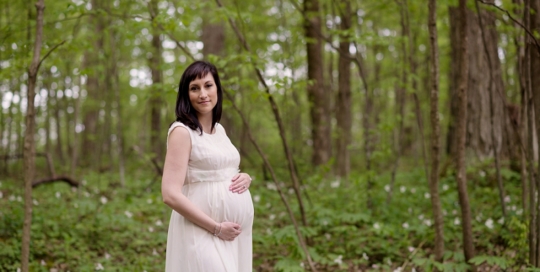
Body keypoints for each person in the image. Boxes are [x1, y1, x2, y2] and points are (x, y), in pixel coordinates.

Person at [161, 61, 254, 271]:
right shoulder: (181, 132)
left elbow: (222, 169)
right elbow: (169, 194)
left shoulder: (219, 130)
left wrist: (246, 177)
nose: (203, 93)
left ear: (217, 89)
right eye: (194, 88)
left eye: (208, 85)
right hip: (201, 231)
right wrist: (217, 228)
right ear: (187, 95)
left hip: (234, 237)